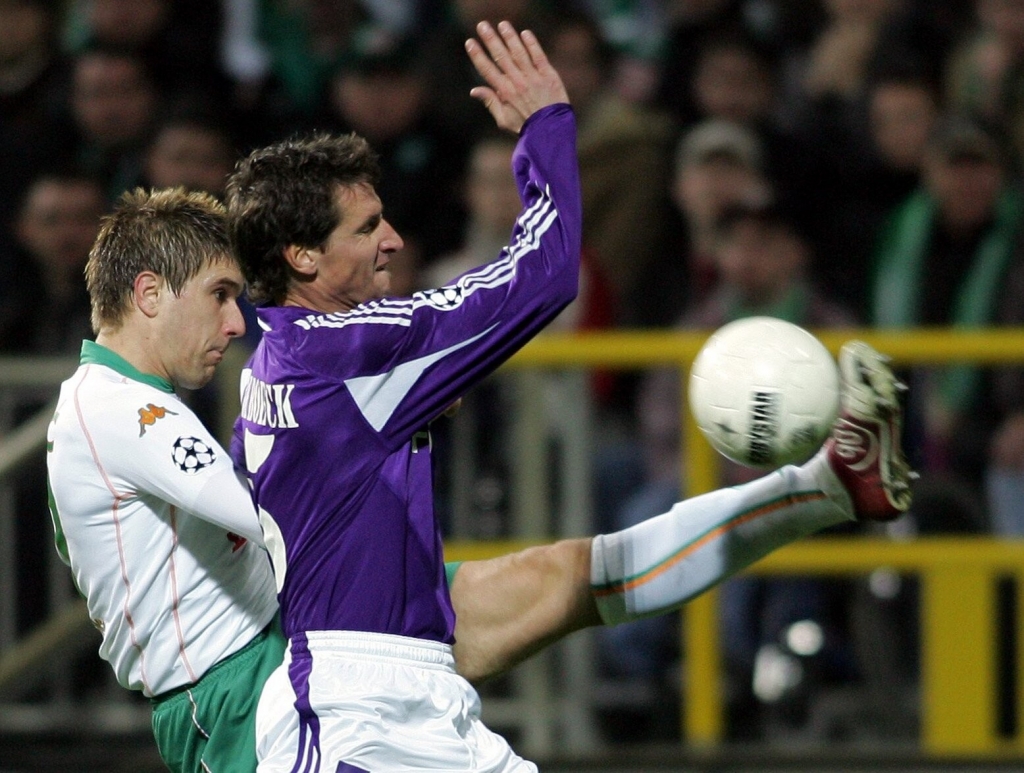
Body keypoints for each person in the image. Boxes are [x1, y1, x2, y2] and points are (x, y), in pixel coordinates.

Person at [46, 22, 914, 773]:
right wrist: (547, 128)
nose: (393, 240)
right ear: (303, 258)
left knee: (581, 572)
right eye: (366, 227)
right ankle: (827, 487)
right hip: (354, 708)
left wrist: (395, 407)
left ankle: (829, 485)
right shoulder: (343, 356)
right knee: (587, 574)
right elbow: (542, 276)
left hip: (410, 676)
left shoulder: (287, 352)